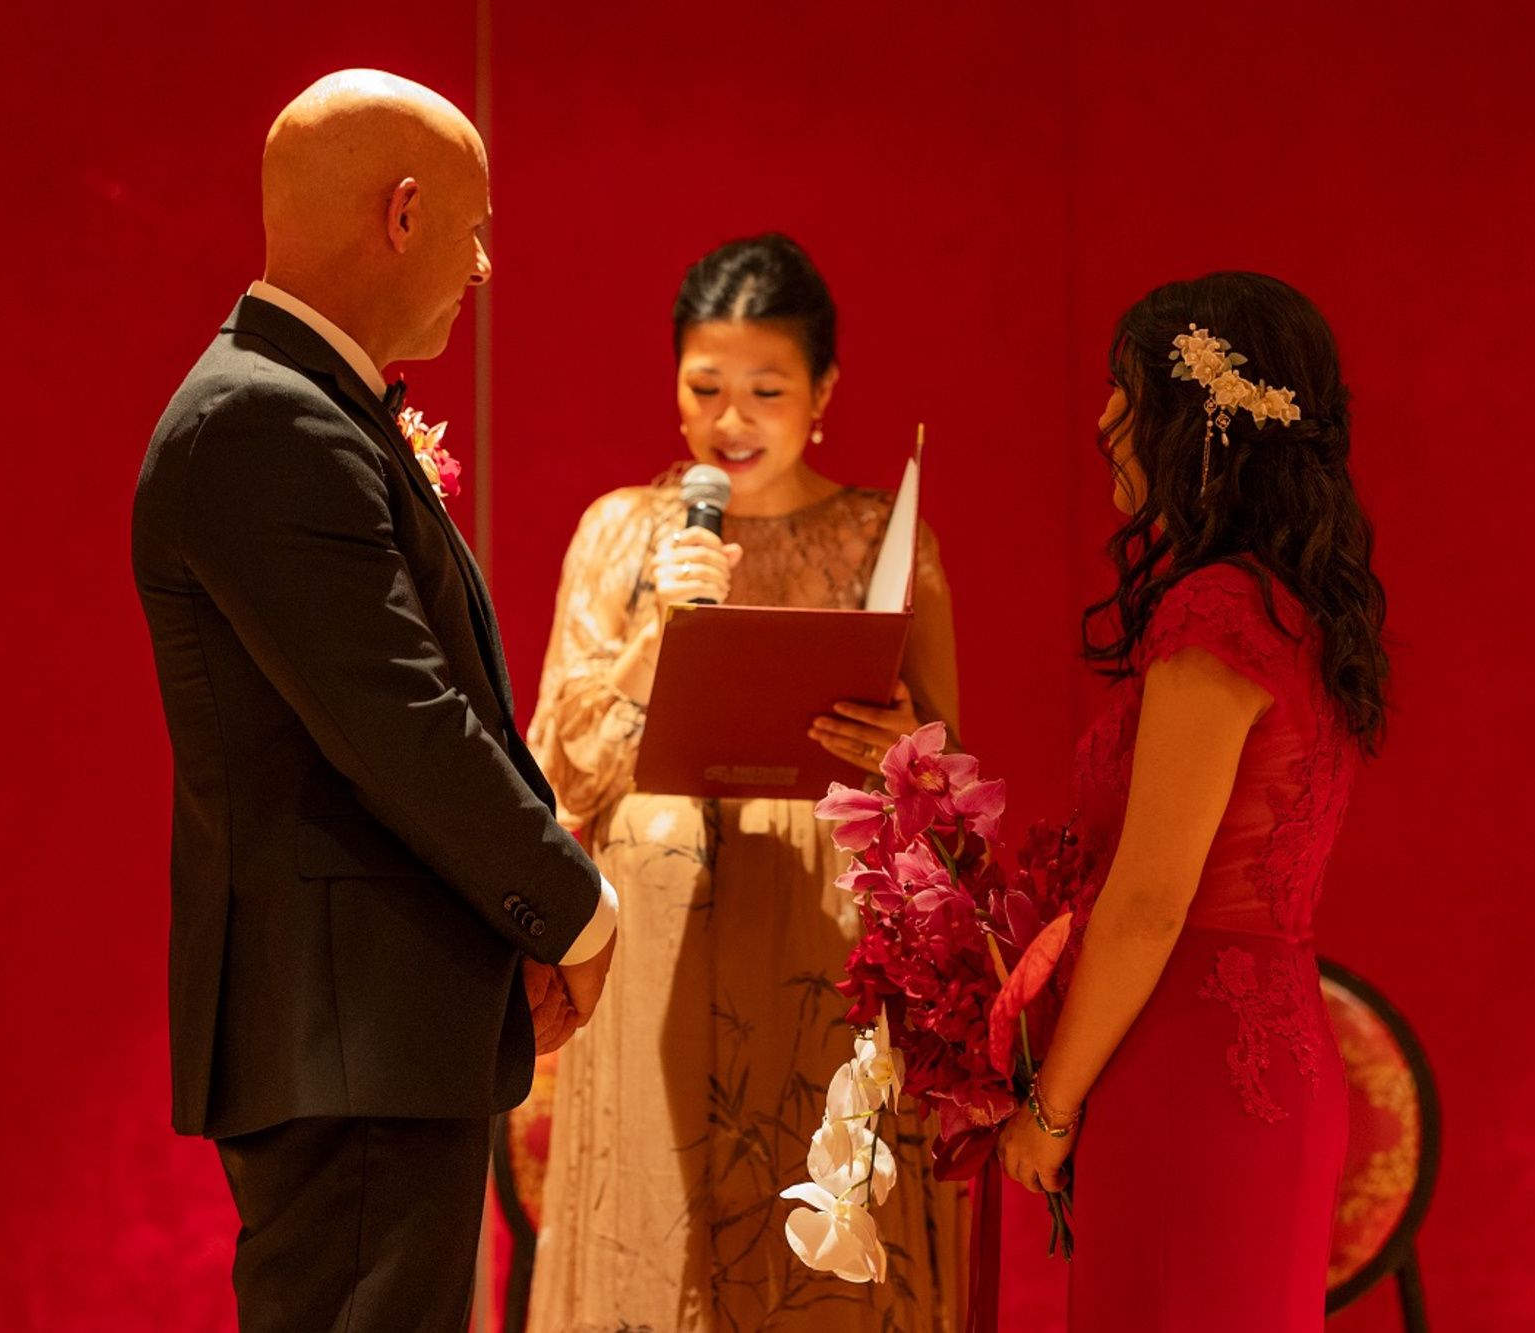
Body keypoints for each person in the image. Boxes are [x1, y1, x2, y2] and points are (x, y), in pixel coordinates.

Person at [130, 70, 617, 1332]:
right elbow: (399, 723)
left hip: (376, 1025)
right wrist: (571, 907)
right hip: (351, 1028)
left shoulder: (296, 407)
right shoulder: (263, 421)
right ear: (402, 214)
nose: (485, 264)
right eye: (474, 226)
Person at [525, 233, 965, 1332]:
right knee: (653, 1247)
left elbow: (951, 797)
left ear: (822, 392)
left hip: (819, 955)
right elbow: (553, 774)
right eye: (705, 386)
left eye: (765, 389)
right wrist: (652, 631)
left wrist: (903, 745)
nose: (731, 418)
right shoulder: (622, 532)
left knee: (810, 1263)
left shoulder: (877, 536)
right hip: (650, 956)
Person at [996, 271, 1390, 1330]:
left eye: (1123, 392)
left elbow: (1148, 901)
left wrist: (1048, 1105)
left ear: (1200, 423)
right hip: (1278, 1066)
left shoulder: (1213, 610)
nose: (1101, 420)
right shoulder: (1299, 607)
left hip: (1185, 1068)